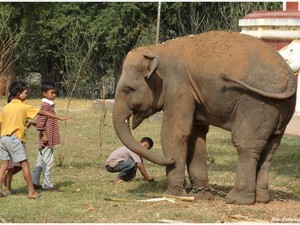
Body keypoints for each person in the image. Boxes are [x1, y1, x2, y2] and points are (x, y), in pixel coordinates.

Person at [0, 81, 68, 199]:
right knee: (25, 165)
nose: (27, 95)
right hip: (15, 139)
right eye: (25, 93)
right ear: (18, 94)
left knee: (4, 165)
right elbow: (43, 112)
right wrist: (59, 117)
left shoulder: (6, 107)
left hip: (3, 138)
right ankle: (31, 192)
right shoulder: (24, 106)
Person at [3, 95, 36, 195]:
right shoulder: (12, 113)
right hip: (15, 142)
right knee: (14, 167)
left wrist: (29, 124)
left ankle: (6, 185)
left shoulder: (12, 112)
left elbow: (22, 127)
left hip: (14, 141)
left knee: (13, 167)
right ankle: (8, 187)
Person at [32, 82, 62, 192]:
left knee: (40, 162)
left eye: (55, 93)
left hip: (46, 138)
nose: (54, 95)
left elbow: (38, 121)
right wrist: (45, 136)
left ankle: (34, 182)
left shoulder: (49, 105)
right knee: (48, 162)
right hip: (47, 139)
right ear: (44, 93)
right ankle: (47, 184)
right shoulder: (46, 105)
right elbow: (40, 123)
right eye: (52, 93)